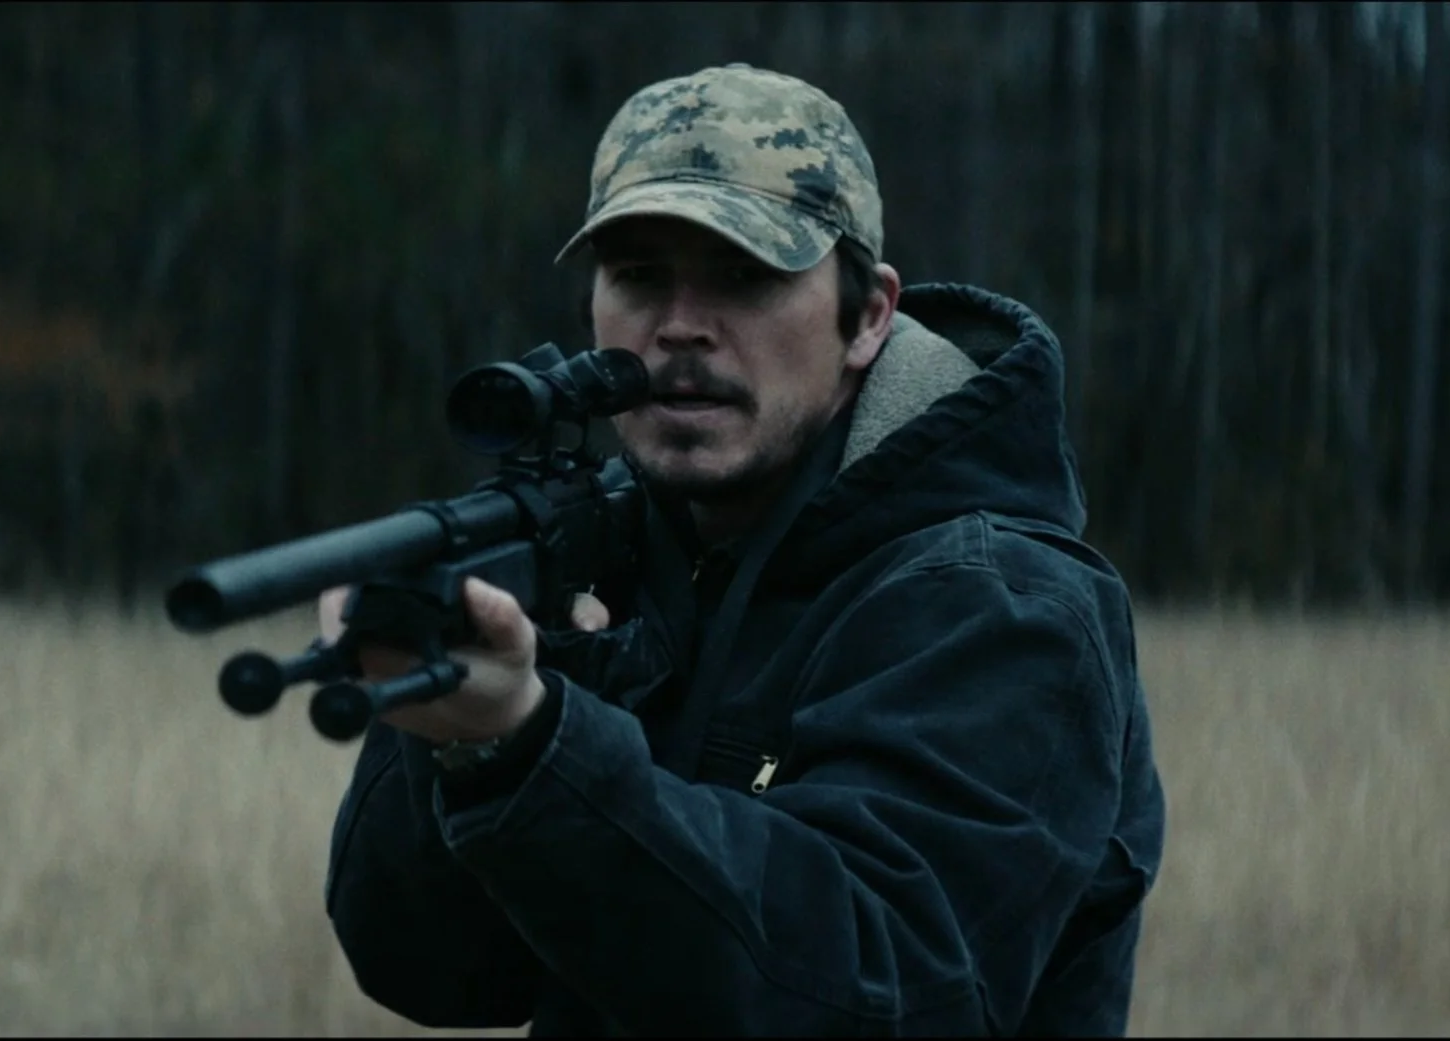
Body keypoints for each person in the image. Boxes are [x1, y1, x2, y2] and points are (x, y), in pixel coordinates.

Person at [317, 63, 1166, 1036]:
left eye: (744, 275)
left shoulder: (1001, 603)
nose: (681, 325)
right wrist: (456, 739)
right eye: (639, 276)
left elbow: (880, 987)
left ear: (869, 316)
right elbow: (432, 973)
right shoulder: (609, 548)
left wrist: (534, 743)